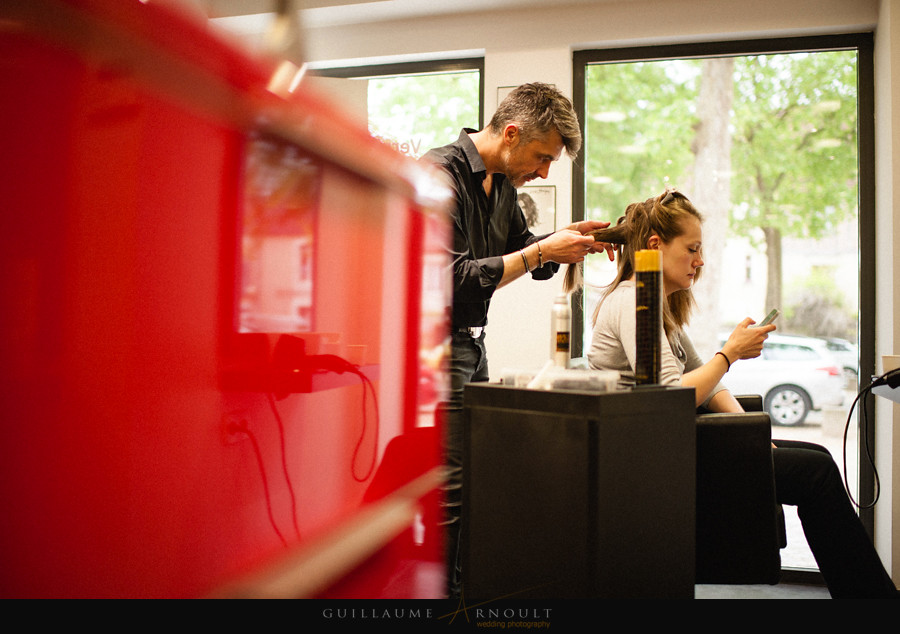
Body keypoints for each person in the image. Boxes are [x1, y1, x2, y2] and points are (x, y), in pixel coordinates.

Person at [585, 187, 898, 599]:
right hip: (652, 458)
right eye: (692, 249)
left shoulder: (658, 307)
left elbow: (706, 380)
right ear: (655, 246)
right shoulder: (633, 302)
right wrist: (729, 353)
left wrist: (751, 433)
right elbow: (668, 398)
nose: (700, 260)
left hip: (674, 443)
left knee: (818, 457)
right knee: (816, 473)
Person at [422, 82, 614, 598]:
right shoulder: (439, 175)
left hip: (473, 346)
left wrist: (567, 242)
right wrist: (541, 252)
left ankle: (466, 593)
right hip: (436, 350)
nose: (544, 172)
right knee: (451, 491)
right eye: (542, 157)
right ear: (511, 134)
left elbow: (525, 253)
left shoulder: (502, 186)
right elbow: (453, 279)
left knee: (478, 480)